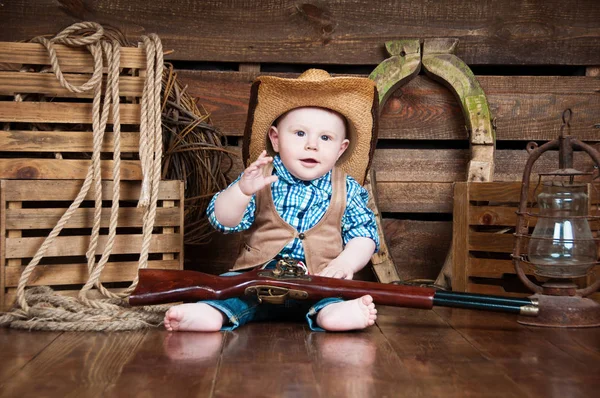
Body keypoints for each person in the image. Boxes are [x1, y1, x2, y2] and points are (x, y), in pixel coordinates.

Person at [164, 69, 380, 332]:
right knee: (231, 295)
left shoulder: (347, 189)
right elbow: (222, 221)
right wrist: (241, 192)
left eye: (325, 138)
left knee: (330, 296)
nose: (312, 145)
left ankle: (333, 313)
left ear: (341, 149)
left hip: (318, 279)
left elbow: (364, 234)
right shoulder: (260, 178)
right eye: (300, 134)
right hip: (256, 278)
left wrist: (345, 263)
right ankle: (212, 313)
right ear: (276, 139)